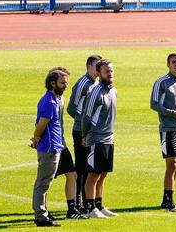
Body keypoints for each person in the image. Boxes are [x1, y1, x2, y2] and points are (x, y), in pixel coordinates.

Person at [31, 67, 79, 227]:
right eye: (62, 83)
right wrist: (36, 138)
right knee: (43, 183)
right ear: (53, 83)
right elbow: (41, 125)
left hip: (57, 146)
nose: (66, 86)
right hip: (50, 148)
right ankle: (41, 216)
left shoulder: (57, 99)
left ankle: (42, 212)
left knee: (48, 181)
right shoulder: (50, 102)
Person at [151, 52, 176, 212]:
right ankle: (168, 201)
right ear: (168, 65)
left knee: (175, 165)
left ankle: (168, 199)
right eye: (174, 62)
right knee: (171, 163)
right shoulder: (161, 82)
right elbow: (154, 104)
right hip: (168, 129)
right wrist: (174, 113)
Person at [80, 59, 117, 218]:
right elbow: (86, 116)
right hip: (96, 138)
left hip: (109, 138)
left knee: (103, 173)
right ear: (99, 73)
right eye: (106, 71)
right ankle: (90, 208)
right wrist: (84, 135)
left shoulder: (113, 90)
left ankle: (99, 205)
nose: (110, 73)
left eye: (111, 71)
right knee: (93, 174)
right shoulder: (95, 91)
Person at [66, 54, 101, 211]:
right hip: (81, 131)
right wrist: (82, 122)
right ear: (88, 66)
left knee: (90, 166)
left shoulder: (96, 83)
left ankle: (87, 201)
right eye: (96, 66)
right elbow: (71, 108)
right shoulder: (83, 84)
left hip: (92, 131)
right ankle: (78, 201)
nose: (99, 69)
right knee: (81, 167)